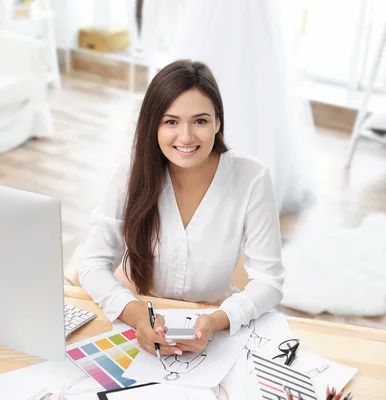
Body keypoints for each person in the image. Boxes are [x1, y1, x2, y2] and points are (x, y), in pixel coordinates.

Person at [78, 59, 285, 357]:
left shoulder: (251, 178)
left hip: (214, 322)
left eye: (200, 121)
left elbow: (269, 281)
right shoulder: (129, 169)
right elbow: (93, 263)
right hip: (132, 313)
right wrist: (137, 316)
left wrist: (215, 322)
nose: (186, 137)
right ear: (153, 126)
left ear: (217, 123)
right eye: (171, 121)